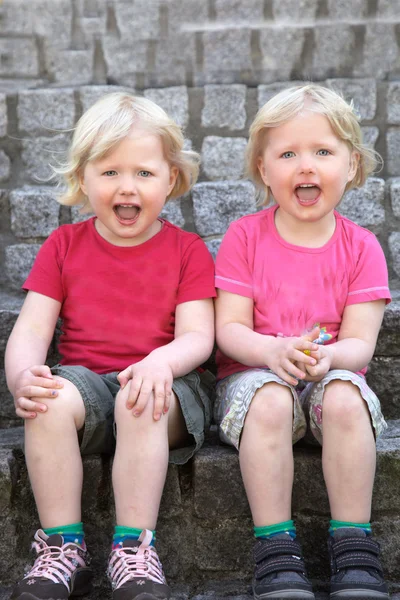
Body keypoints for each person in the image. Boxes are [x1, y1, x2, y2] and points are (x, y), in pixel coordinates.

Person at [5, 92, 216, 600]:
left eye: (144, 173)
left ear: (171, 179)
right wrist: (23, 377)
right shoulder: (64, 246)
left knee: (139, 397)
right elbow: (32, 331)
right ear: (83, 179)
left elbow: (198, 336)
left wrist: (160, 362)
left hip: (167, 389)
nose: (127, 187)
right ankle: (62, 550)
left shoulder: (187, 250)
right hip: (86, 386)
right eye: (110, 172)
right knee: (48, 400)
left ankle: (134, 550)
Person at [214, 84, 390, 600]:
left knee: (344, 397)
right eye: (288, 154)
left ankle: (354, 543)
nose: (305, 166)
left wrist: (330, 358)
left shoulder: (362, 247)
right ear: (265, 170)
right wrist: (271, 351)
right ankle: (276, 549)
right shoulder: (245, 237)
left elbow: (360, 345)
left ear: (352, 165)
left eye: (322, 151)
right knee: (269, 400)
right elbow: (228, 330)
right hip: (252, 380)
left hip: (327, 378)